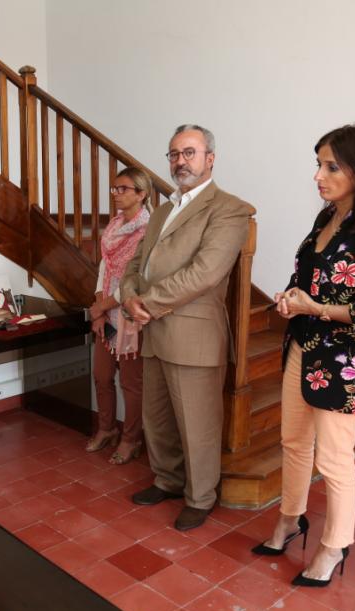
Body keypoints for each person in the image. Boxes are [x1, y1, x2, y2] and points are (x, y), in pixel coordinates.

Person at [251, 124, 355, 587]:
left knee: (335, 459)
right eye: (318, 164)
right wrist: (292, 297)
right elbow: (311, 276)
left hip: (348, 361)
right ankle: (289, 518)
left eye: (331, 166)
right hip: (304, 345)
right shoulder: (327, 218)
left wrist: (315, 308)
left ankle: (335, 545)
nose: (318, 175)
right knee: (294, 442)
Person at [120, 124, 253, 530]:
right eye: (174, 154)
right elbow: (135, 263)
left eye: (190, 152)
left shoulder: (229, 208)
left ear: (210, 158)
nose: (181, 161)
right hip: (153, 332)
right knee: (157, 420)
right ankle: (167, 480)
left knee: (198, 426)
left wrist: (146, 303)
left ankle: (200, 497)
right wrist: (128, 296)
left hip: (193, 336)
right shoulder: (162, 211)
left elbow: (205, 272)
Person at [85, 166, 152, 465]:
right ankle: (107, 429)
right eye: (115, 188)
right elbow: (105, 268)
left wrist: (103, 307)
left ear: (142, 194)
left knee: (131, 383)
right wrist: (99, 308)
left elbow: (135, 279)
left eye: (123, 189)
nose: (116, 194)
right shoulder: (114, 225)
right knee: (101, 375)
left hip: (128, 315)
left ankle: (131, 439)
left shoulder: (147, 230)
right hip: (106, 312)